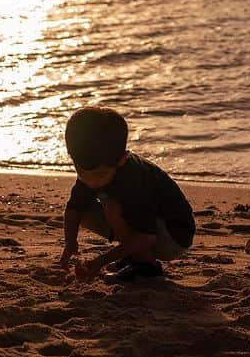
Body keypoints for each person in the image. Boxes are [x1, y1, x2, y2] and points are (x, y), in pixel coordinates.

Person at [58, 107, 195, 283]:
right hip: (143, 228)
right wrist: (70, 243)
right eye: (83, 173)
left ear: (122, 159)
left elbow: (146, 236)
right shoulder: (91, 163)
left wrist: (99, 262)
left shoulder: (133, 179)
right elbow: (74, 208)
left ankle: (146, 266)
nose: (92, 181)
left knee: (112, 207)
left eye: (100, 175)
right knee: (83, 212)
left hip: (173, 237)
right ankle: (132, 256)